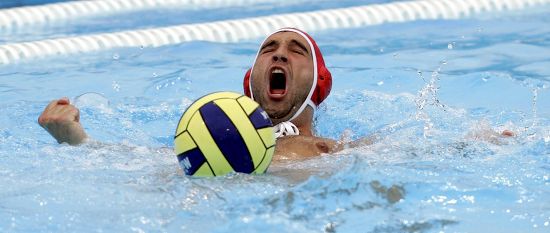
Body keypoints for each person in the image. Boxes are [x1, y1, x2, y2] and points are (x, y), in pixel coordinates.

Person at [38, 28, 513, 159]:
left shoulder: (335, 148)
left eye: (295, 51)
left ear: (318, 83)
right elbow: (145, 164)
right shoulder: (213, 140)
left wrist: (477, 141)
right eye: (268, 49)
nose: (279, 56)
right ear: (254, 78)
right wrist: (74, 138)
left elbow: (409, 152)